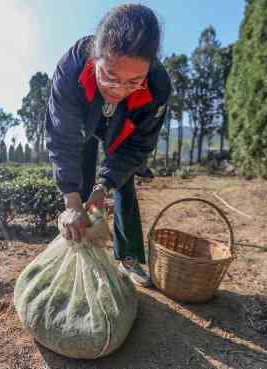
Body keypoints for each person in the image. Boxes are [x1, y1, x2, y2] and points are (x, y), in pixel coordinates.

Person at [45, 4, 171, 287]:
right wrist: (72, 202)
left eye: (133, 81)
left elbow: (137, 147)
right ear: (95, 59)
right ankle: (81, 254)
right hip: (84, 126)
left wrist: (105, 186)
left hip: (122, 129)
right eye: (110, 76)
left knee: (123, 182)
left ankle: (129, 258)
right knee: (81, 181)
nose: (118, 89)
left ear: (148, 70)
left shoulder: (158, 88)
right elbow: (62, 137)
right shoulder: (72, 67)